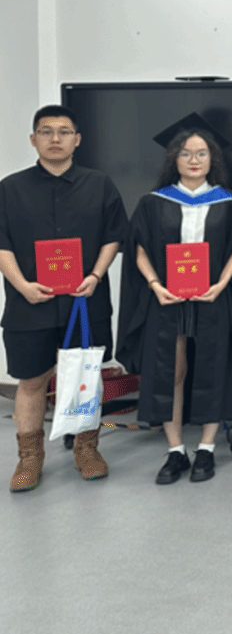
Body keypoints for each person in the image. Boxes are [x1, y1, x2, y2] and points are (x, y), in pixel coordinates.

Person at [119, 126, 232, 485]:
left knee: (214, 368)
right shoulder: (153, 202)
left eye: (201, 153)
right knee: (171, 371)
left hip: (213, 296)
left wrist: (221, 285)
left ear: (213, 159)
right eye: (185, 153)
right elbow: (138, 249)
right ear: (174, 159)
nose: (194, 160)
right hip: (167, 298)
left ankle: (207, 448)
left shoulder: (231, 203)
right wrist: (155, 285)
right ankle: (176, 450)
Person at [0, 105, 128, 492]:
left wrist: (95, 276)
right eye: (46, 131)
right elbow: (2, 244)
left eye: (64, 131)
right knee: (31, 381)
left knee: (87, 377)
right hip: (29, 304)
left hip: (84, 301)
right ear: (33, 139)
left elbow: (113, 237)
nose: (55, 138)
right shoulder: (10, 188)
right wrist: (22, 285)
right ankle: (29, 459)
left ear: (77, 139)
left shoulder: (100, 184)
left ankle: (87, 449)